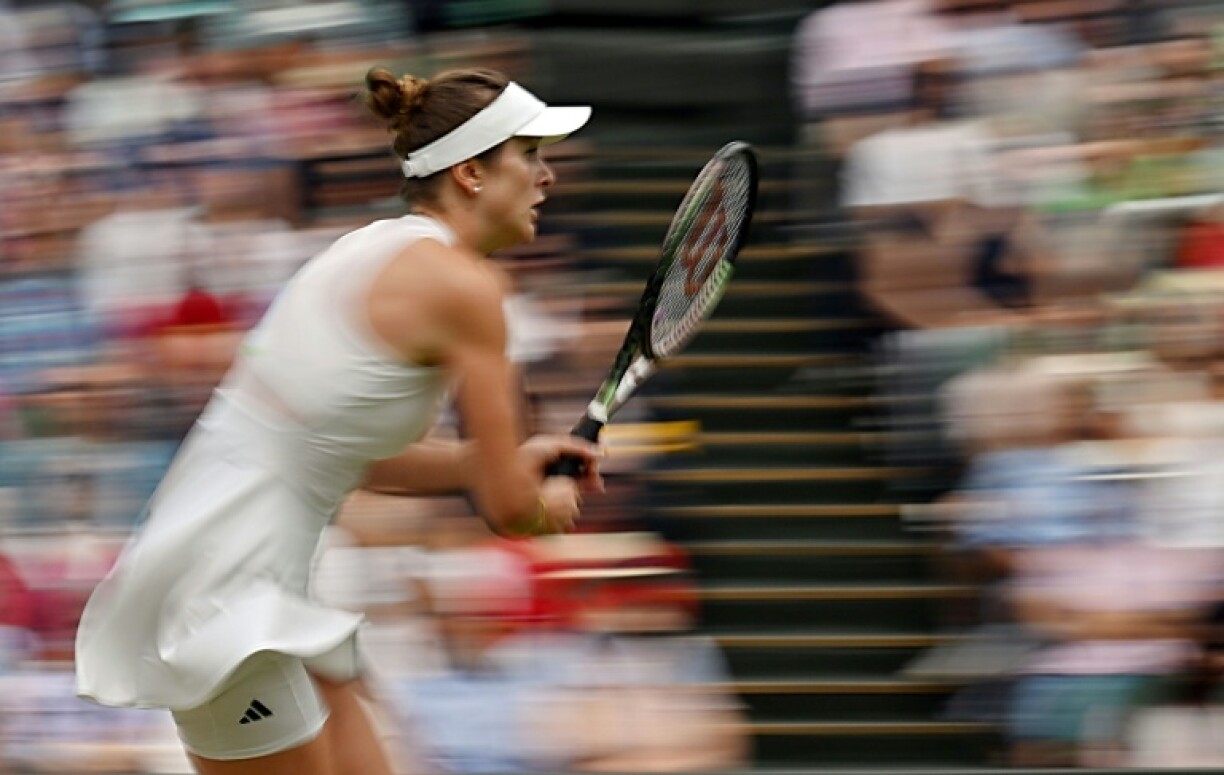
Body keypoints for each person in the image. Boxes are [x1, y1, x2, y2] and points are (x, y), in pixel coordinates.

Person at [73, 66, 603, 775]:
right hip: (226, 596)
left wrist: (486, 461)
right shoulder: (466, 288)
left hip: (235, 581)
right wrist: (542, 503)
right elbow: (511, 511)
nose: (547, 177)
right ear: (472, 172)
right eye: (530, 155)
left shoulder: (369, 249)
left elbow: (348, 454)